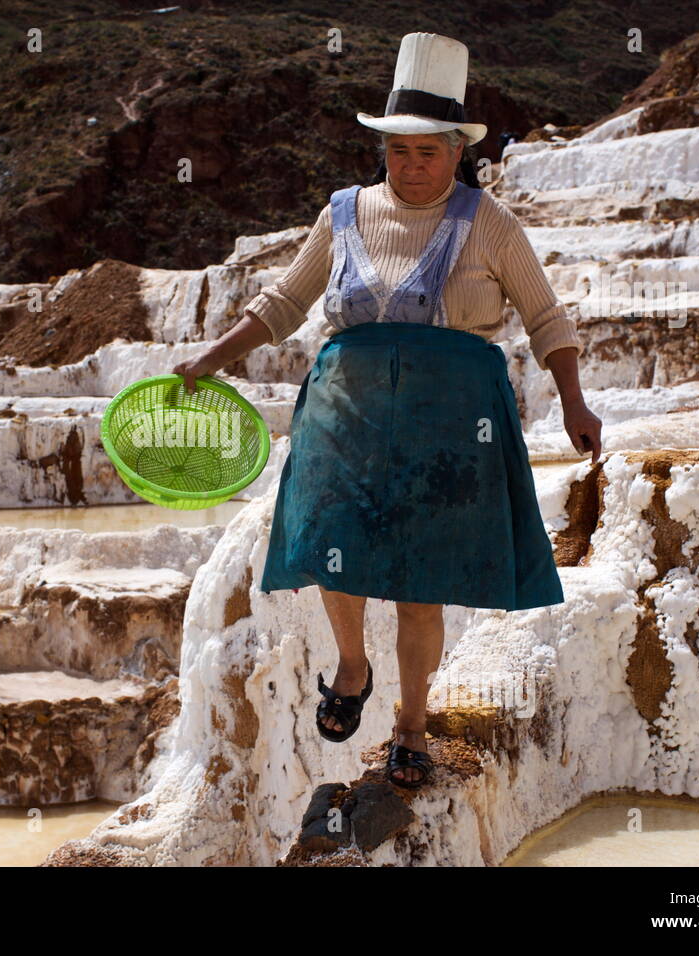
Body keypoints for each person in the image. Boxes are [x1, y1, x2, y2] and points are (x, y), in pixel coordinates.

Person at [172, 33, 602, 791]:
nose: (410, 166)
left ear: (455, 152)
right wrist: (209, 359)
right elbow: (283, 305)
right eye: (398, 151)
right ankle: (351, 662)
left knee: (418, 580)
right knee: (332, 541)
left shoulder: (491, 223)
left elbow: (546, 318)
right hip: (350, 414)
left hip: (451, 426)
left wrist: (574, 400)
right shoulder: (343, 215)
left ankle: (411, 725)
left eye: (426, 153)